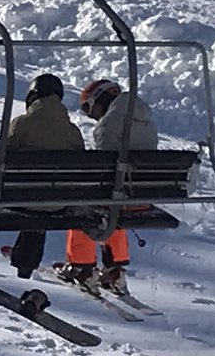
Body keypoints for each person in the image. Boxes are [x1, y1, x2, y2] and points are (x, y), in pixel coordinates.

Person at [62, 78, 159, 291]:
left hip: (116, 196)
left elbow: (106, 173)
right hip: (141, 198)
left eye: (88, 108)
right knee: (113, 203)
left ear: (101, 99)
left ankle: (82, 267)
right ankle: (115, 270)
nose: (91, 115)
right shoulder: (146, 121)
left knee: (86, 203)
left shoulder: (108, 125)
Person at [4, 73, 85, 278]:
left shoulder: (22, 124)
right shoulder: (72, 131)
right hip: (59, 201)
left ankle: (23, 259)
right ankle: (25, 260)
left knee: (32, 196)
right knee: (44, 197)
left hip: (21, 197)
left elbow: (3, 156)